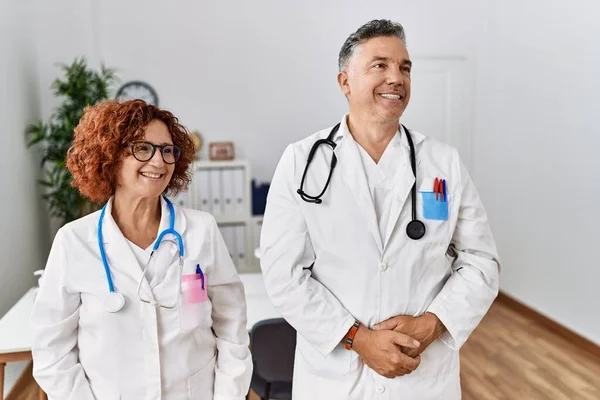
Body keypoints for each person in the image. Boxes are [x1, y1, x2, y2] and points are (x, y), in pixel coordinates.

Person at [259, 19, 500, 399]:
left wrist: (432, 325)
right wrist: (358, 339)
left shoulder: (442, 163)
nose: (397, 78)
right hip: (336, 375)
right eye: (380, 65)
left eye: (404, 68)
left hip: (420, 373)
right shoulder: (302, 161)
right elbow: (284, 275)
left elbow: (481, 261)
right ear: (345, 82)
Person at [30, 99, 252, 400]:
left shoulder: (201, 231)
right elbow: (51, 351)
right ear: (110, 157)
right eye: (142, 148)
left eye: (167, 150)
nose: (159, 162)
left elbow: (232, 330)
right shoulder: (74, 242)